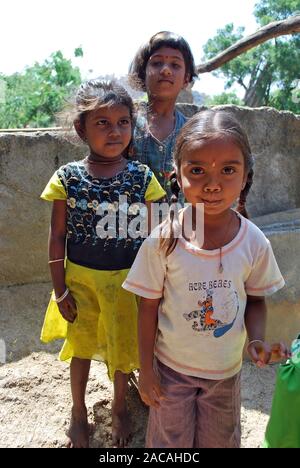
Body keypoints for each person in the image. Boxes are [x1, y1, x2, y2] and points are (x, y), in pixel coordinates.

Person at [123, 109, 286, 448]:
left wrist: (255, 340)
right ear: (177, 176)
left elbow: (256, 301)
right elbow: (147, 309)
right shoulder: (163, 240)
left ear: (245, 177)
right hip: (170, 372)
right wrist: (147, 370)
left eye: (228, 170)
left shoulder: (254, 241)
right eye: (197, 170)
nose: (213, 184)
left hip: (225, 375)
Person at [40, 79, 165, 448]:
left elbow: (153, 238)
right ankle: (78, 412)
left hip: (127, 284)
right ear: (82, 128)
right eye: (103, 123)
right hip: (81, 284)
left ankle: (119, 407)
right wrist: (60, 289)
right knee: (80, 349)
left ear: (132, 125)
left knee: (122, 348)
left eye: (123, 122)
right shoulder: (67, 178)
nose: (115, 131)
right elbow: (56, 237)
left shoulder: (142, 178)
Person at [128, 30, 197, 200]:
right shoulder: (125, 124)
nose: (165, 70)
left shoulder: (192, 133)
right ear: (142, 73)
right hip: (130, 223)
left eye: (175, 65)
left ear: (186, 78)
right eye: (157, 63)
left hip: (178, 224)